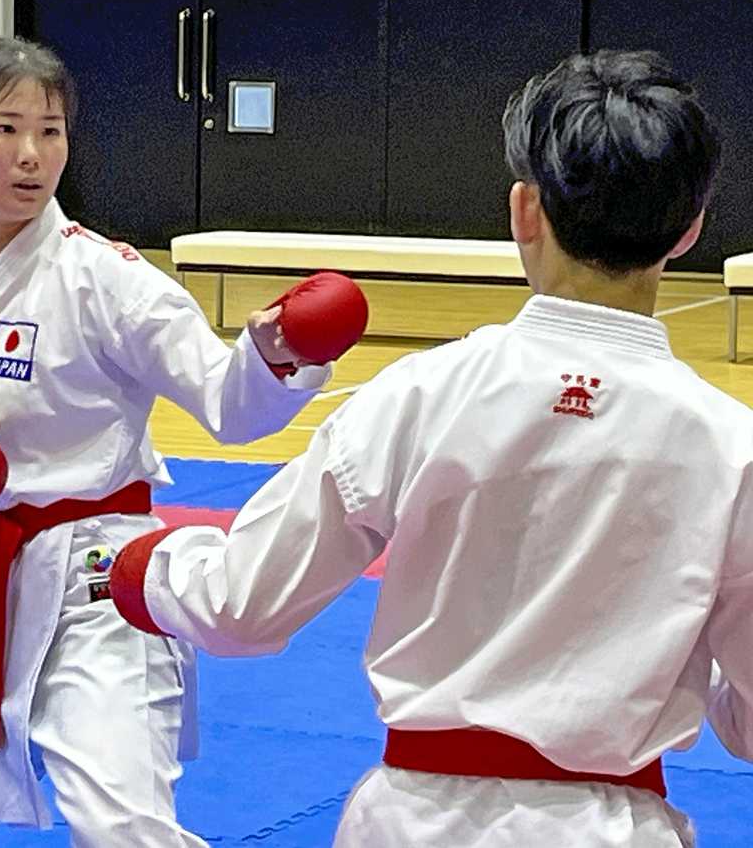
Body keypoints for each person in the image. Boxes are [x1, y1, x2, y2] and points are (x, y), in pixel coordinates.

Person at [108, 49, 752, 847]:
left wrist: (142, 569)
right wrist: (685, 655)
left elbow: (242, 604)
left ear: (524, 210)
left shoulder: (420, 393)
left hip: (413, 823)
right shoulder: (732, 448)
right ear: (691, 228)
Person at [0, 36, 366, 847]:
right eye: (5, 129)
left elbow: (228, 403)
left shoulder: (106, 277)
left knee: (119, 824)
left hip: (101, 578)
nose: (31, 154)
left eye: (50, 131)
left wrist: (275, 354)